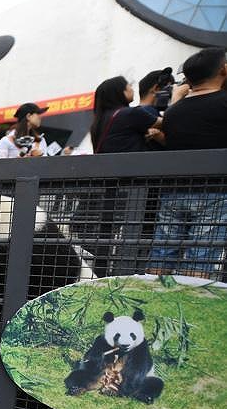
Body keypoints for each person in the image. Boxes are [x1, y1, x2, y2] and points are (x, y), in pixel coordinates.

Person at [148, 47, 227, 278]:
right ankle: (189, 312)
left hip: (173, 192)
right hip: (215, 193)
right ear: (222, 69)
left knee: (162, 253)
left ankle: (152, 305)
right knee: (201, 257)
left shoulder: (174, 112)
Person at [89, 76, 161, 153]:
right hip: (134, 163)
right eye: (129, 85)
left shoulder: (99, 121)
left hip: (110, 164)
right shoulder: (130, 113)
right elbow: (165, 122)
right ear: (121, 91)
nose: (132, 89)